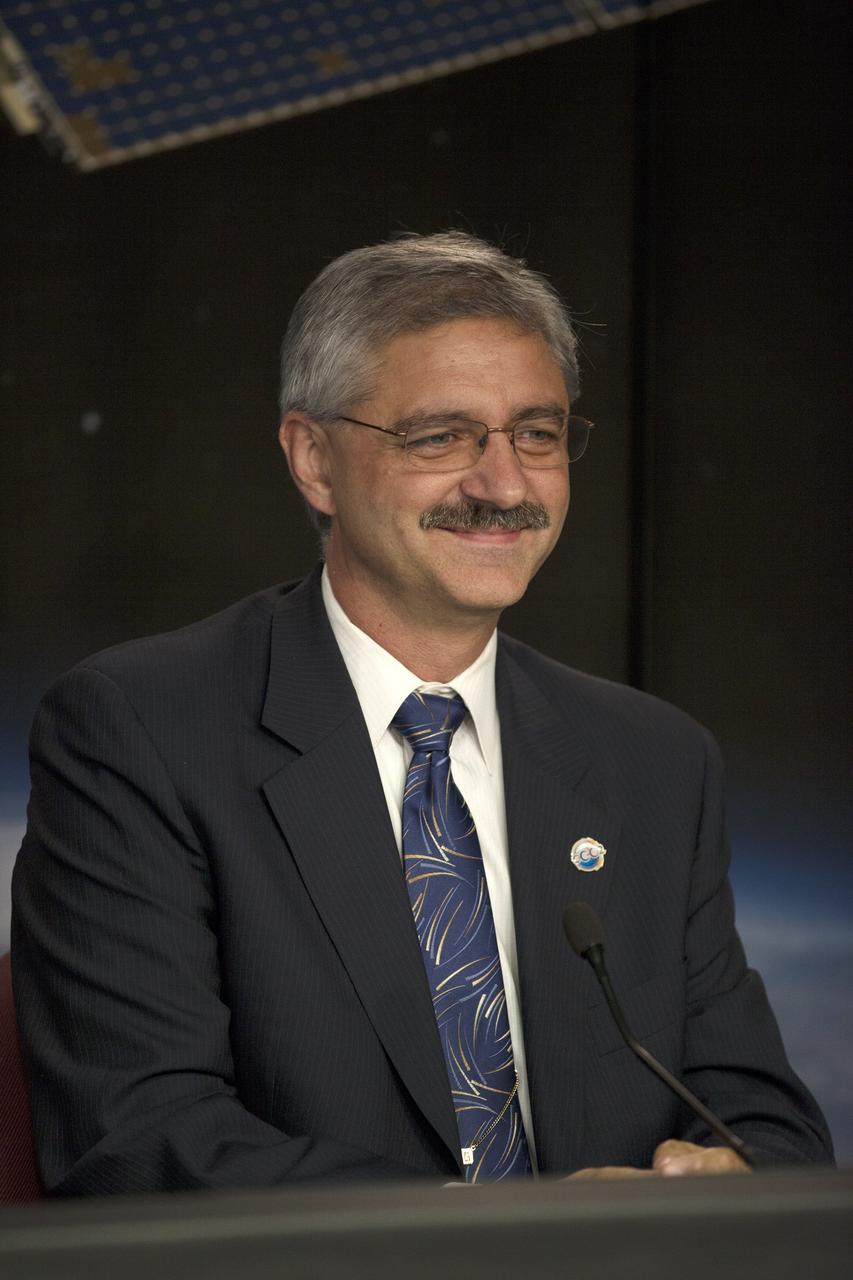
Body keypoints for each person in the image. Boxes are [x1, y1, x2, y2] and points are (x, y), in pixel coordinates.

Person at [12, 232, 832, 1195]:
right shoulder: (141, 730)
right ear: (313, 460)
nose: (502, 485)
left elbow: (766, 1123)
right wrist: (486, 1243)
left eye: (535, 432)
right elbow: (139, 1140)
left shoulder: (651, 760)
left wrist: (716, 1173)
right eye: (439, 437)